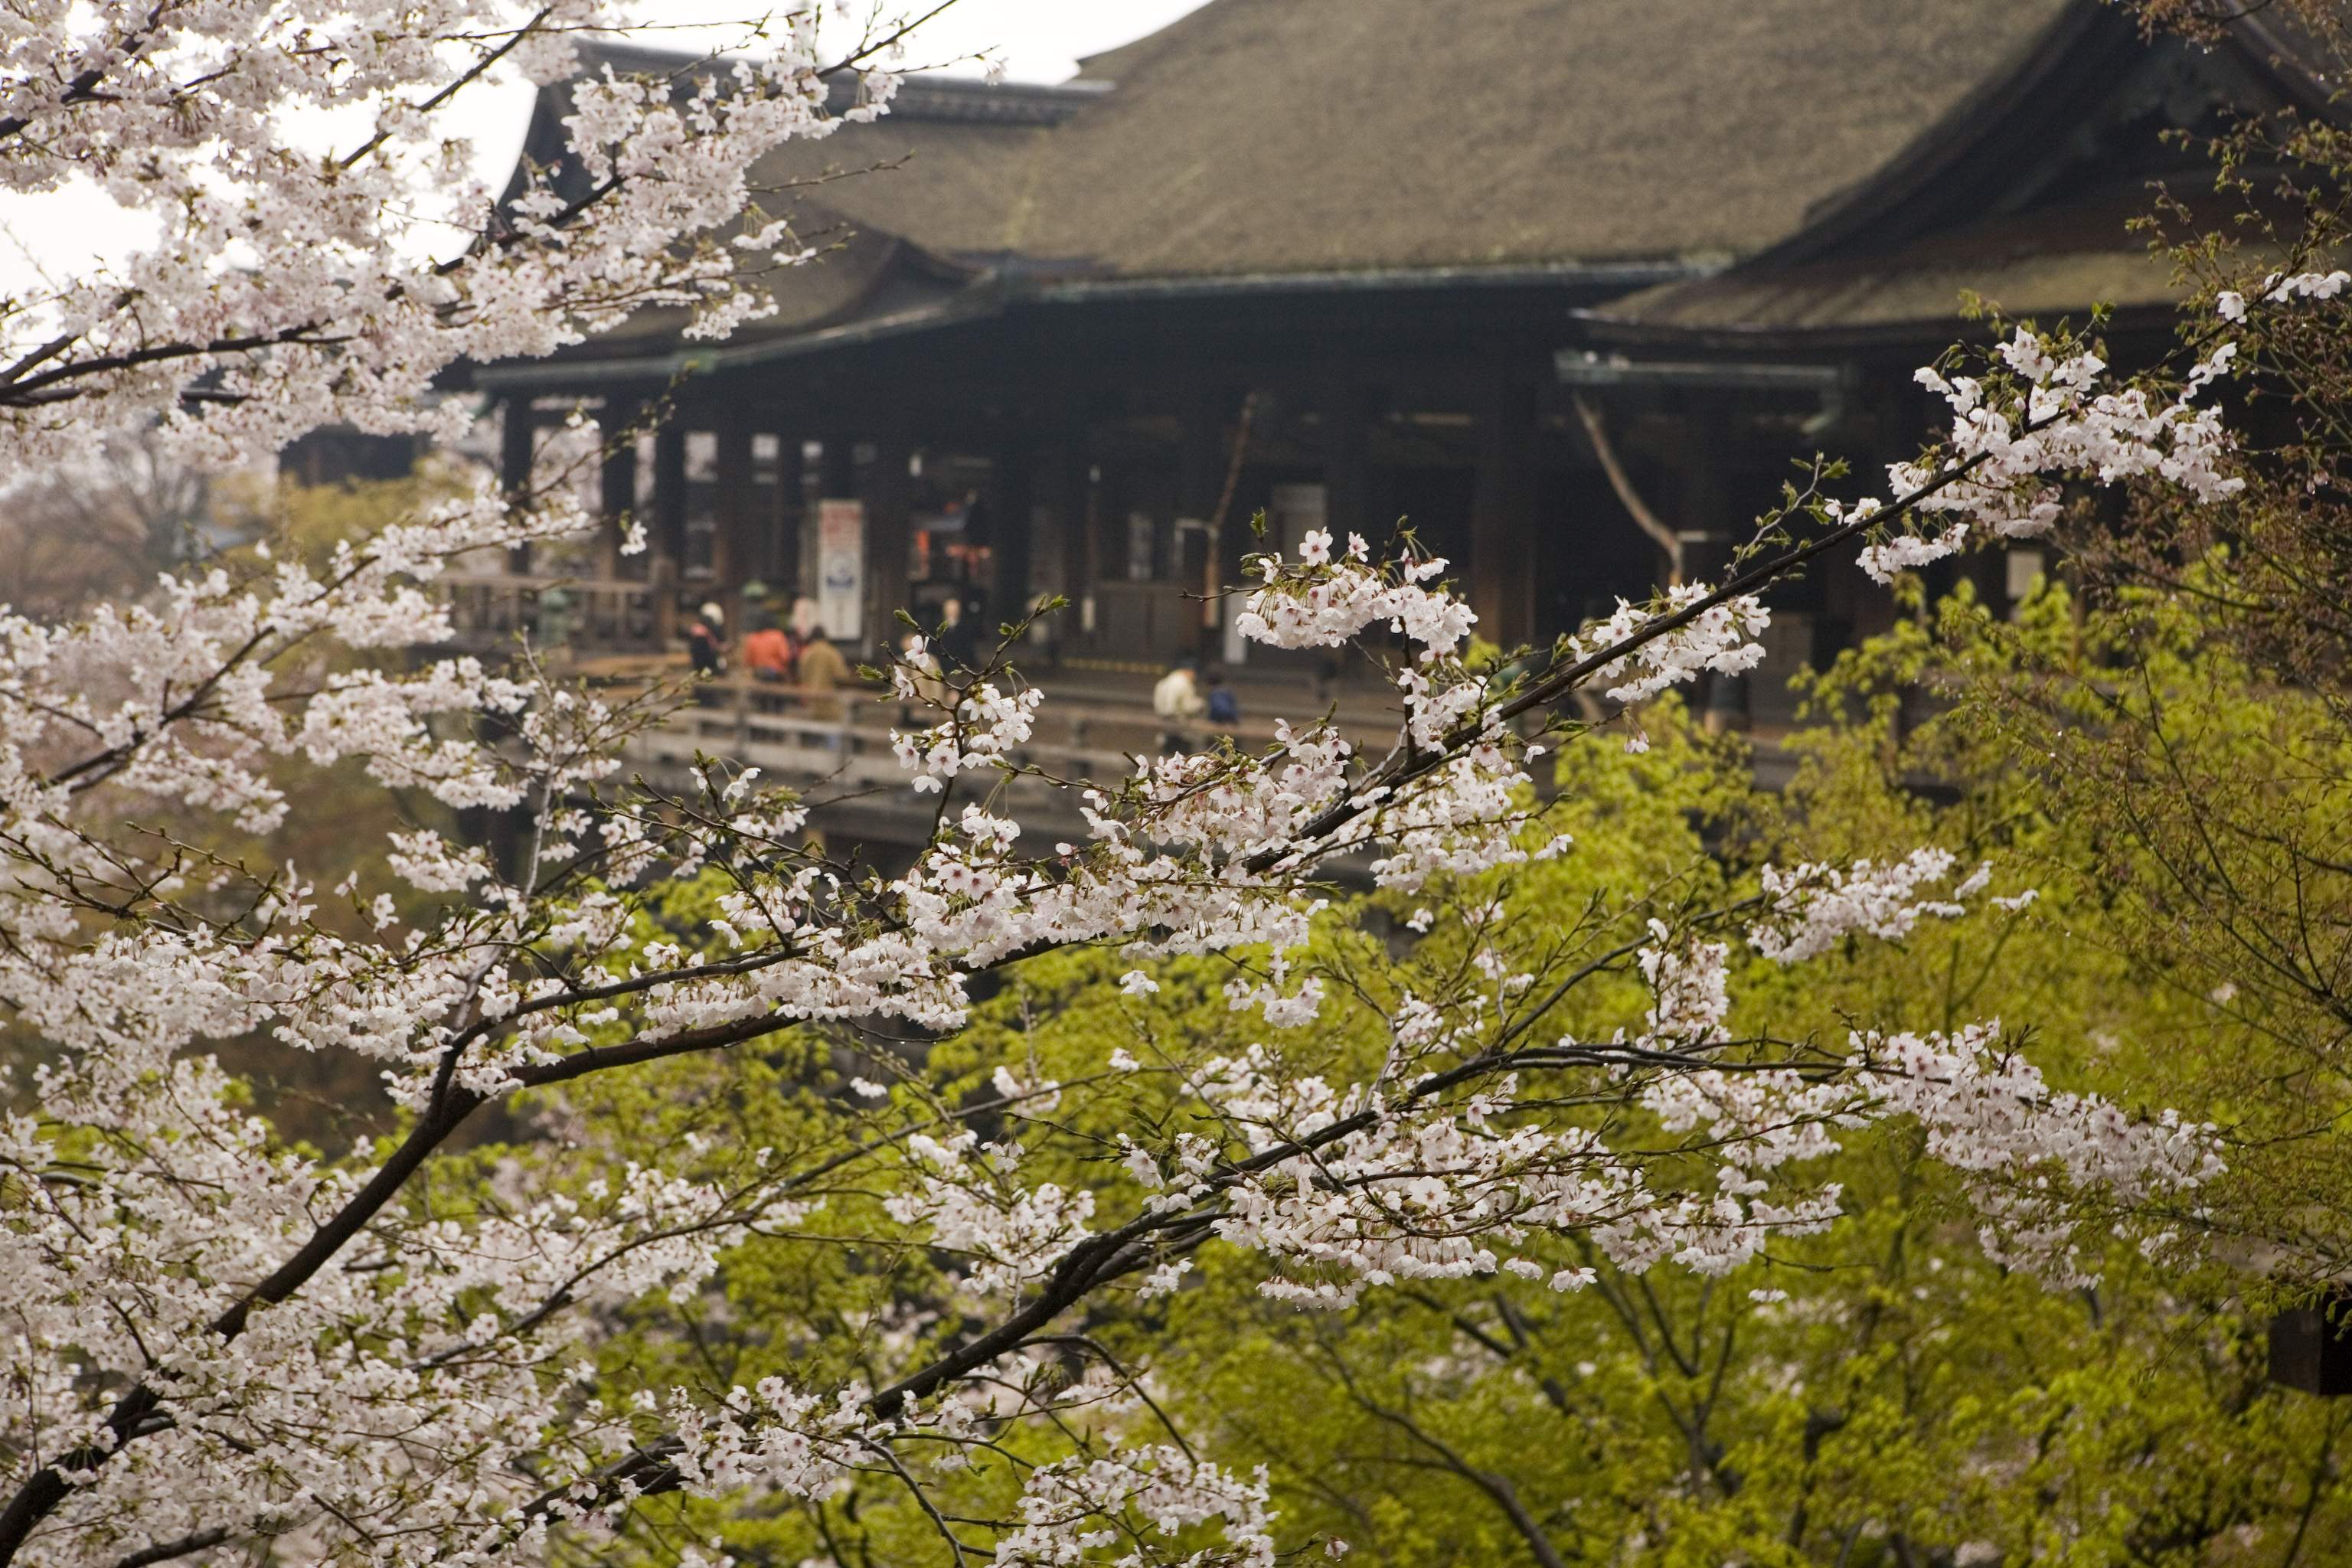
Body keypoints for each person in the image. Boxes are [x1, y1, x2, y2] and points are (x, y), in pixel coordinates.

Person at [793, 621, 852, 724]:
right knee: (832, 731)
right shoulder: (833, 653)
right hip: (829, 702)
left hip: (811, 702)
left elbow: (801, 675)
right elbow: (842, 675)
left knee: (813, 733)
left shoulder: (807, 653)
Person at [1152, 655, 1204, 753]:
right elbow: (1188, 707)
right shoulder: (1184, 683)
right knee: (1198, 739)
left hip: (1163, 720)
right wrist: (1199, 704)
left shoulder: (1164, 681)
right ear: (1189, 671)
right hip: (1178, 722)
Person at [933, 594, 979, 675]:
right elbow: (934, 646)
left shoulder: (966, 627)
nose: (951, 612)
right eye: (949, 609)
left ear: (959, 611)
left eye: (954, 610)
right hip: (942, 666)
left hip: (961, 666)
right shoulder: (937, 626)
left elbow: (969, 647)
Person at [742, 610, 792, 682]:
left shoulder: (753, 638)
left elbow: (748, 661)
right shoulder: (778, 636)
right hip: (776, 675)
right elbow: (785, 658)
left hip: (758, 675)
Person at [685, 599, 725, 677]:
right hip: (705, 669)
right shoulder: (703, 634)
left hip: (699, 668)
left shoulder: (699, 631)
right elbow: (708, 655)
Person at [1205, 667, 1240, 732]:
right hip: (1231, 723)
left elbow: (1223, 710)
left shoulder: (1216, 693)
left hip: (1225, 725)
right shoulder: (1227, 691)